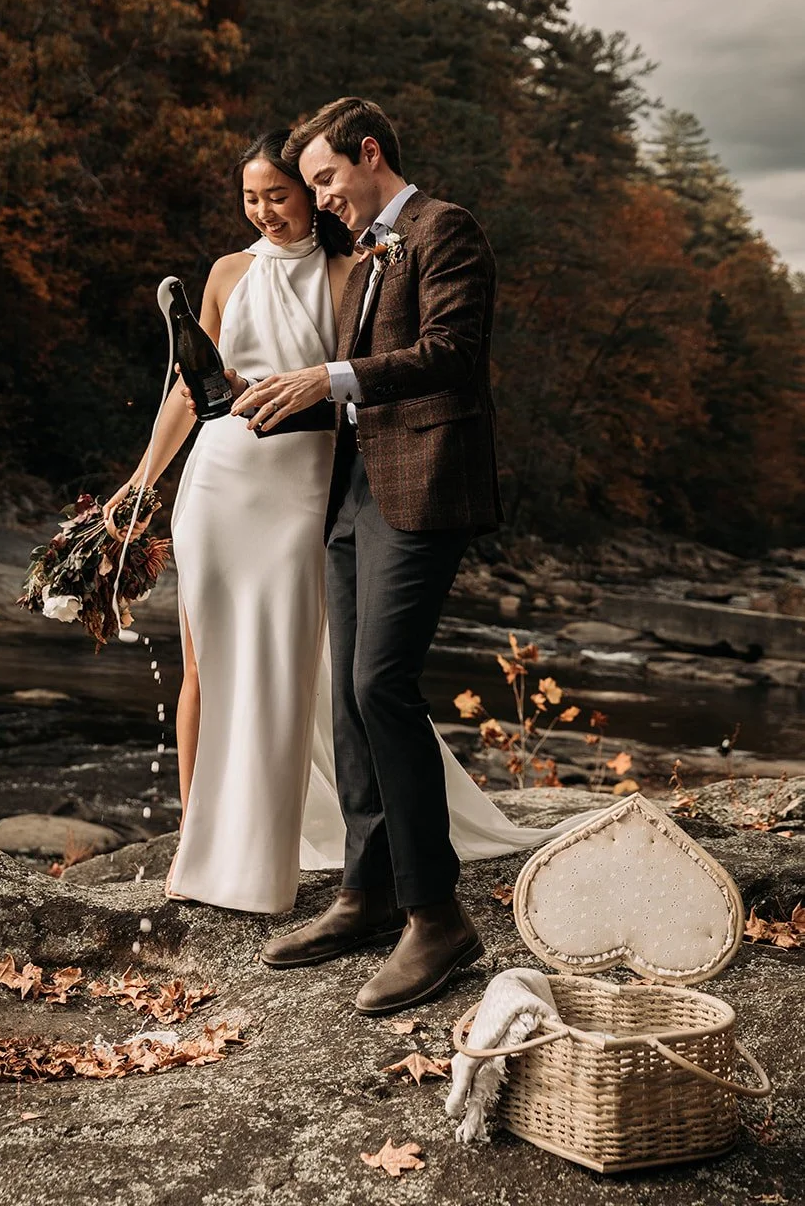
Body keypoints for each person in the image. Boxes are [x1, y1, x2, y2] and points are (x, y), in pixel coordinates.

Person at [234, 96, 509, 1014]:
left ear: (369, 154)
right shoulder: (357, 258)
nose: (320, 200)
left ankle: (437, 919)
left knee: (381, 684)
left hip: (426, 488)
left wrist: (329, 376)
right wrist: (264, 401)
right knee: (348, 690)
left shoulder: (444, 228)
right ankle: (367, 892)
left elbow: (449, 355)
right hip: (352, 494)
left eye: (322, 180)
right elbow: (353, 399)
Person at [104, 130, 360, 911]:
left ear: (311, 193)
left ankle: (266, 855)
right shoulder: (223, 273)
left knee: (286, 666)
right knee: (203, 665)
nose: (263, 211)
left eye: (277, 195)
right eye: (250, 198)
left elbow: (361, 390)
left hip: (301, 482)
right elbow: (188, 389)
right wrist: (142, 480)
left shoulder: (350, 272)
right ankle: (195, 839)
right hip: (216, 480)